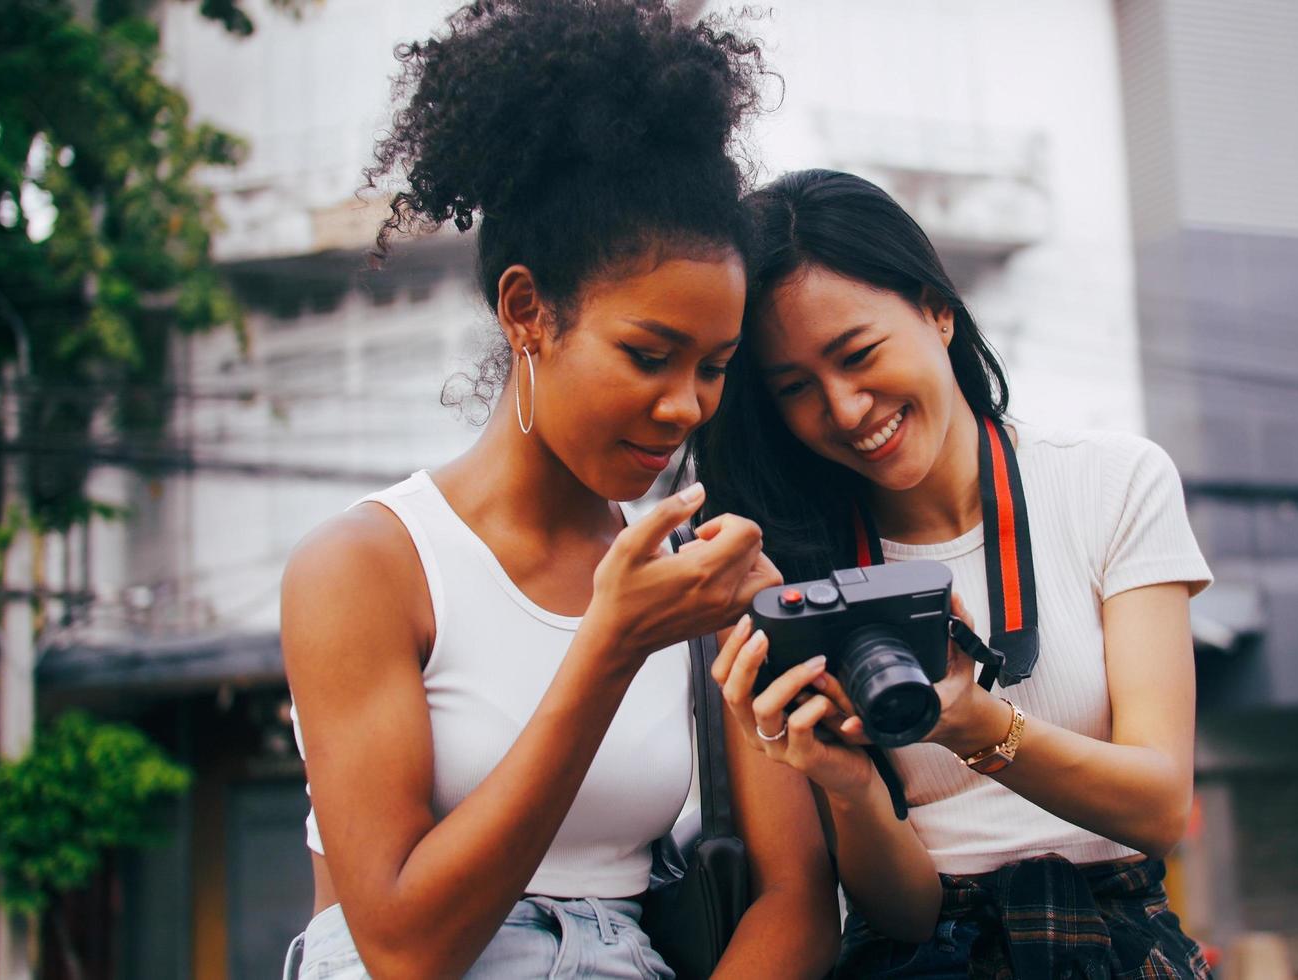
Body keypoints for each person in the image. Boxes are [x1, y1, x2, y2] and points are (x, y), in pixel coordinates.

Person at [279, 5, 839, 976]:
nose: (683, 406)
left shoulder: (701, 582)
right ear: (527, 310)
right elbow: (405, 945)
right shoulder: (368, 567)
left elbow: (797, 896)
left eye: (713, 365)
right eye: (648, 354)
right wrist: (609, 646)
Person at [692, 169, 1216, 978]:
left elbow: (1160, 806)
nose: (846, 409)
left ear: (938, 309)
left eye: (858, 354)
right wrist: (848, 786)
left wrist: (973, 726)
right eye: (796, 388)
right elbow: (904, 912)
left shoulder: (1113, 482)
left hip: (1119, 940)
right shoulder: (792, 576)